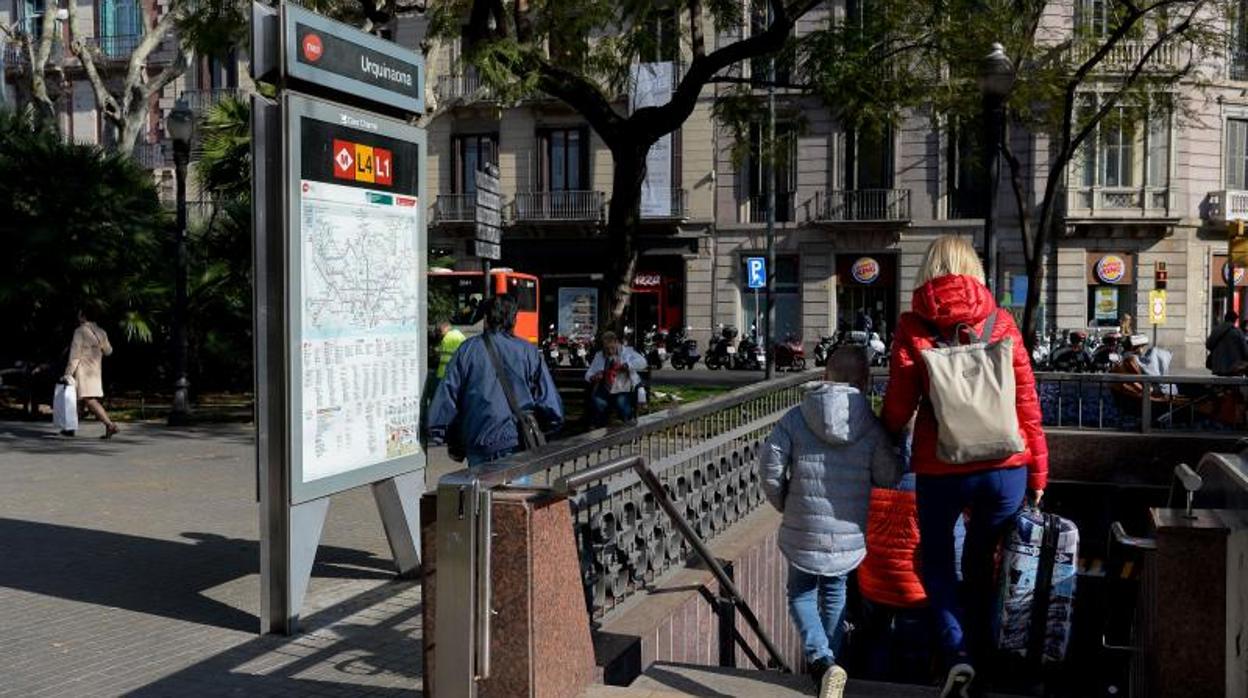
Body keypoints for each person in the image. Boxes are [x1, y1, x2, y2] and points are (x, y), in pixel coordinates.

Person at [881, 236, 1047, 698]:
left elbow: (899, 404)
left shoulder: (913, 326)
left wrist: (886, 433)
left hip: (941, 467)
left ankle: (956, 654)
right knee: (987, 562)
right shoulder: (1001, 322)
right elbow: (1027, 404)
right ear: (974, 268)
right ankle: (989, 654)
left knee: (935, 560)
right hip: (1005, 466)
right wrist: (1038, 474)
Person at [760, 346, 902, 698]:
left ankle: (822, 662)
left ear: (826, 375)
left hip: (802, 527)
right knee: (835, 592)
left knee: (800, 594)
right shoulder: (870, 424)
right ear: (865, 381)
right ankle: (832, 665)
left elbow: (770, 466)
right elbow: (888, 476)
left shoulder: (795, 417)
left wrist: (783, 503)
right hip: (847, 532)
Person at [426, 295, 563, 467]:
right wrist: (546, 428)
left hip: (478, 440)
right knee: (517, 493)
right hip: (516, 440)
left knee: (480, 492)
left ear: (486, 319)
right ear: (514, 320)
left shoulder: (467, 350)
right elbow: (549, 401)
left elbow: (448, 394)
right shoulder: (528, 352)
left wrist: (441, 432)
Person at [62, 309, 119, 439]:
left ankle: (110, 425)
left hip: (83, 371)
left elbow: (75, 355)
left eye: (79, 314)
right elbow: (109, 351)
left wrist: (68, 373)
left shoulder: (80, 331)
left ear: (83, 316)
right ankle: (70, 428)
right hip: (95, 370)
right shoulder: (101, 331)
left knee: (89, 400)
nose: (77, 317)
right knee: (79, 400)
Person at [585, 331, 647, 427]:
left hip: (622, 388)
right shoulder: (599, 355)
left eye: (612, 348)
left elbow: (643, 362)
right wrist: (594, 376)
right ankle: (601, 428)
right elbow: (588, 374)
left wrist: (627, 365)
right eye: (606, 349)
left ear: (617, 342)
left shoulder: (627, 352)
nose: (609, 351)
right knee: (598, 402)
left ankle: (629, 422)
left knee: (621, 401)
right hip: (605, 389)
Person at [1206, 311, 1248, 376]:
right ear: (1234, 320)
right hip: (1234, 368)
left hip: (1218, 367)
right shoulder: (1237, 332)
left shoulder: (1216, 330)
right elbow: (1245, 351)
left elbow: (1208, 345)